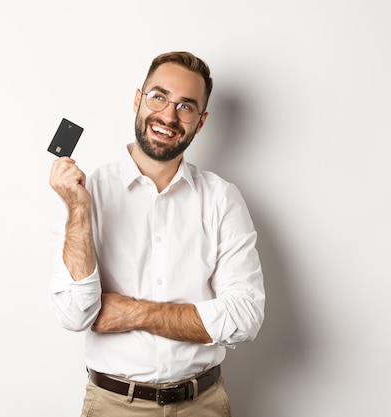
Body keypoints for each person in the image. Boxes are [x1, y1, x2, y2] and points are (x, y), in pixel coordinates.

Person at [48, 51, 265, 417]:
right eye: (159, 97)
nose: (168, 115)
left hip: (203, 405)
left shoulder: (221, 198)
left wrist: (132, 312)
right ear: (138, 99)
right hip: (115, 406)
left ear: (202, 121)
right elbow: (74, 314)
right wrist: (79, 209)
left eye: (186, 106)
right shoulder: (88, 193)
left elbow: (245, 316)